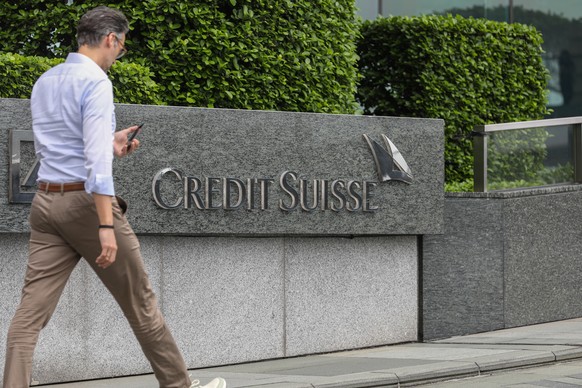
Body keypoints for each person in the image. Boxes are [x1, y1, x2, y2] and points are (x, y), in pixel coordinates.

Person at [2, 6, 226, 388]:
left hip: (45, 204)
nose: (118, 56)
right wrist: (106, 224)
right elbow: (94, 167)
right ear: (111, 39)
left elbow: (65, 145)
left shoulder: (46, 80)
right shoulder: (97, 82)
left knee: (29, 315)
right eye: (121, 48)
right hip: (86, 205)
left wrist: (111, 144)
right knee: (141, 304)